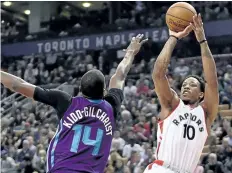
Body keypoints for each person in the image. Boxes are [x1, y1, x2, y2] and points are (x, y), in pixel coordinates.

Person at [1, 34, 148, 173]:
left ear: (80, 90)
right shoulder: (111, 106)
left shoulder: (66, 102)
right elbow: (120, 74)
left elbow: (17, 85)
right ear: (104, 91)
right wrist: (131, 53)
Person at [144, 14, 219, 173]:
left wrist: (202, 41)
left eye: (192, 85)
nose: (185, 87)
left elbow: (212, 81)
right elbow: (158, 74)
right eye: (184, 84)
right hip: (161, 169)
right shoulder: (172, 104)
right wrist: (173, 38)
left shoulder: (205, 113)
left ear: (201, 95)